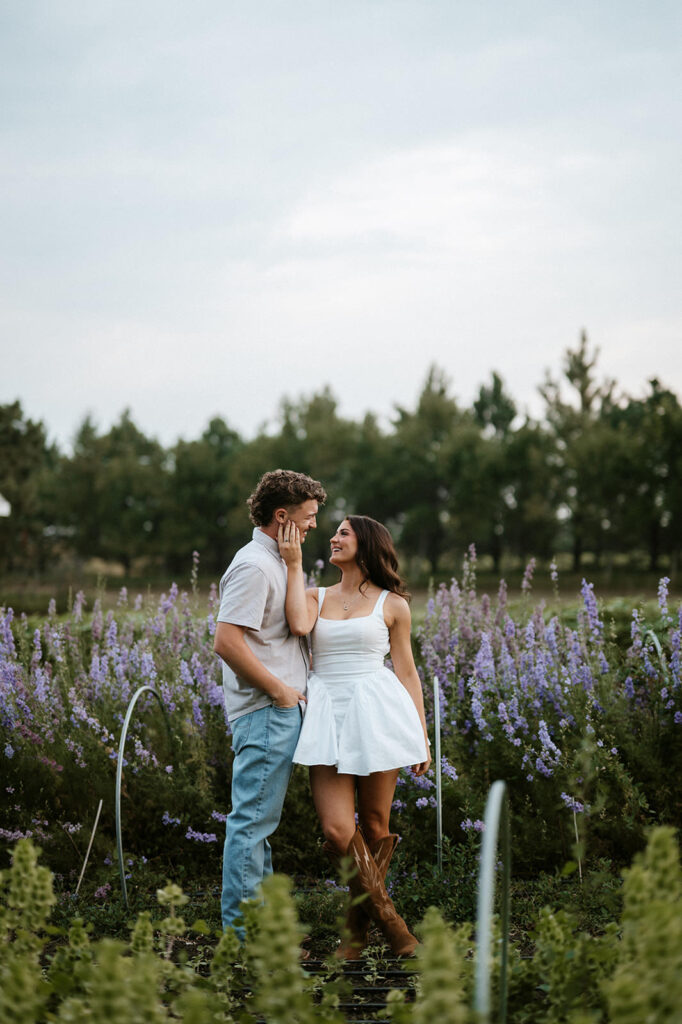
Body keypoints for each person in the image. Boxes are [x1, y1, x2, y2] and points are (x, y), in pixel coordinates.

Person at [277, 513, 431, 958]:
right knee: (338, 830)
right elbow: (300, 628)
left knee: (376, 826)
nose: (333, 537)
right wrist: (292, 563)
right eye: (334, 532)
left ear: (366, 544)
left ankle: (355, 933)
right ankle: (392, 922)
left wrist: (421, 737)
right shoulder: (314, 595)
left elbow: (406, 671)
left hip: (377, 712)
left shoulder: (393, 604)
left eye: (343, 532)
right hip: (326, 711)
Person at [214, 469, 327, 937]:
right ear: (282, 516)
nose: (315, 525)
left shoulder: (280, 560)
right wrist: (280, 691)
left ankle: (258, 932)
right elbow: (226, 641)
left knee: (260, 826)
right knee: (251, 825)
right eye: (309, 517)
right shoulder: (254, 566)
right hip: (266, 712)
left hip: (277, 712)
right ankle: (242, 943)